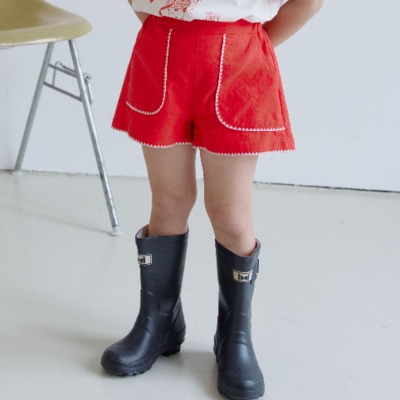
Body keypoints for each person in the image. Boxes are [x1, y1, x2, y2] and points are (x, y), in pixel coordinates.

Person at [101, 1, 323, 399]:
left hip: (240, 58)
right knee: (168, 202)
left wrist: (250, 40)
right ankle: (159, 322)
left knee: (230, 214)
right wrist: (171, 22)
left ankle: (235, 336)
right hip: (161, 51)